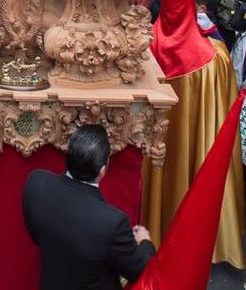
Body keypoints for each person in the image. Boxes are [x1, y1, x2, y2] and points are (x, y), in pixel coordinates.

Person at [21, 124, 154, 289]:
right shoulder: (113, 223)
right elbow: (140, 271)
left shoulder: (37, 183)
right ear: (103, 170)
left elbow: (36, 234)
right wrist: (145, 243)